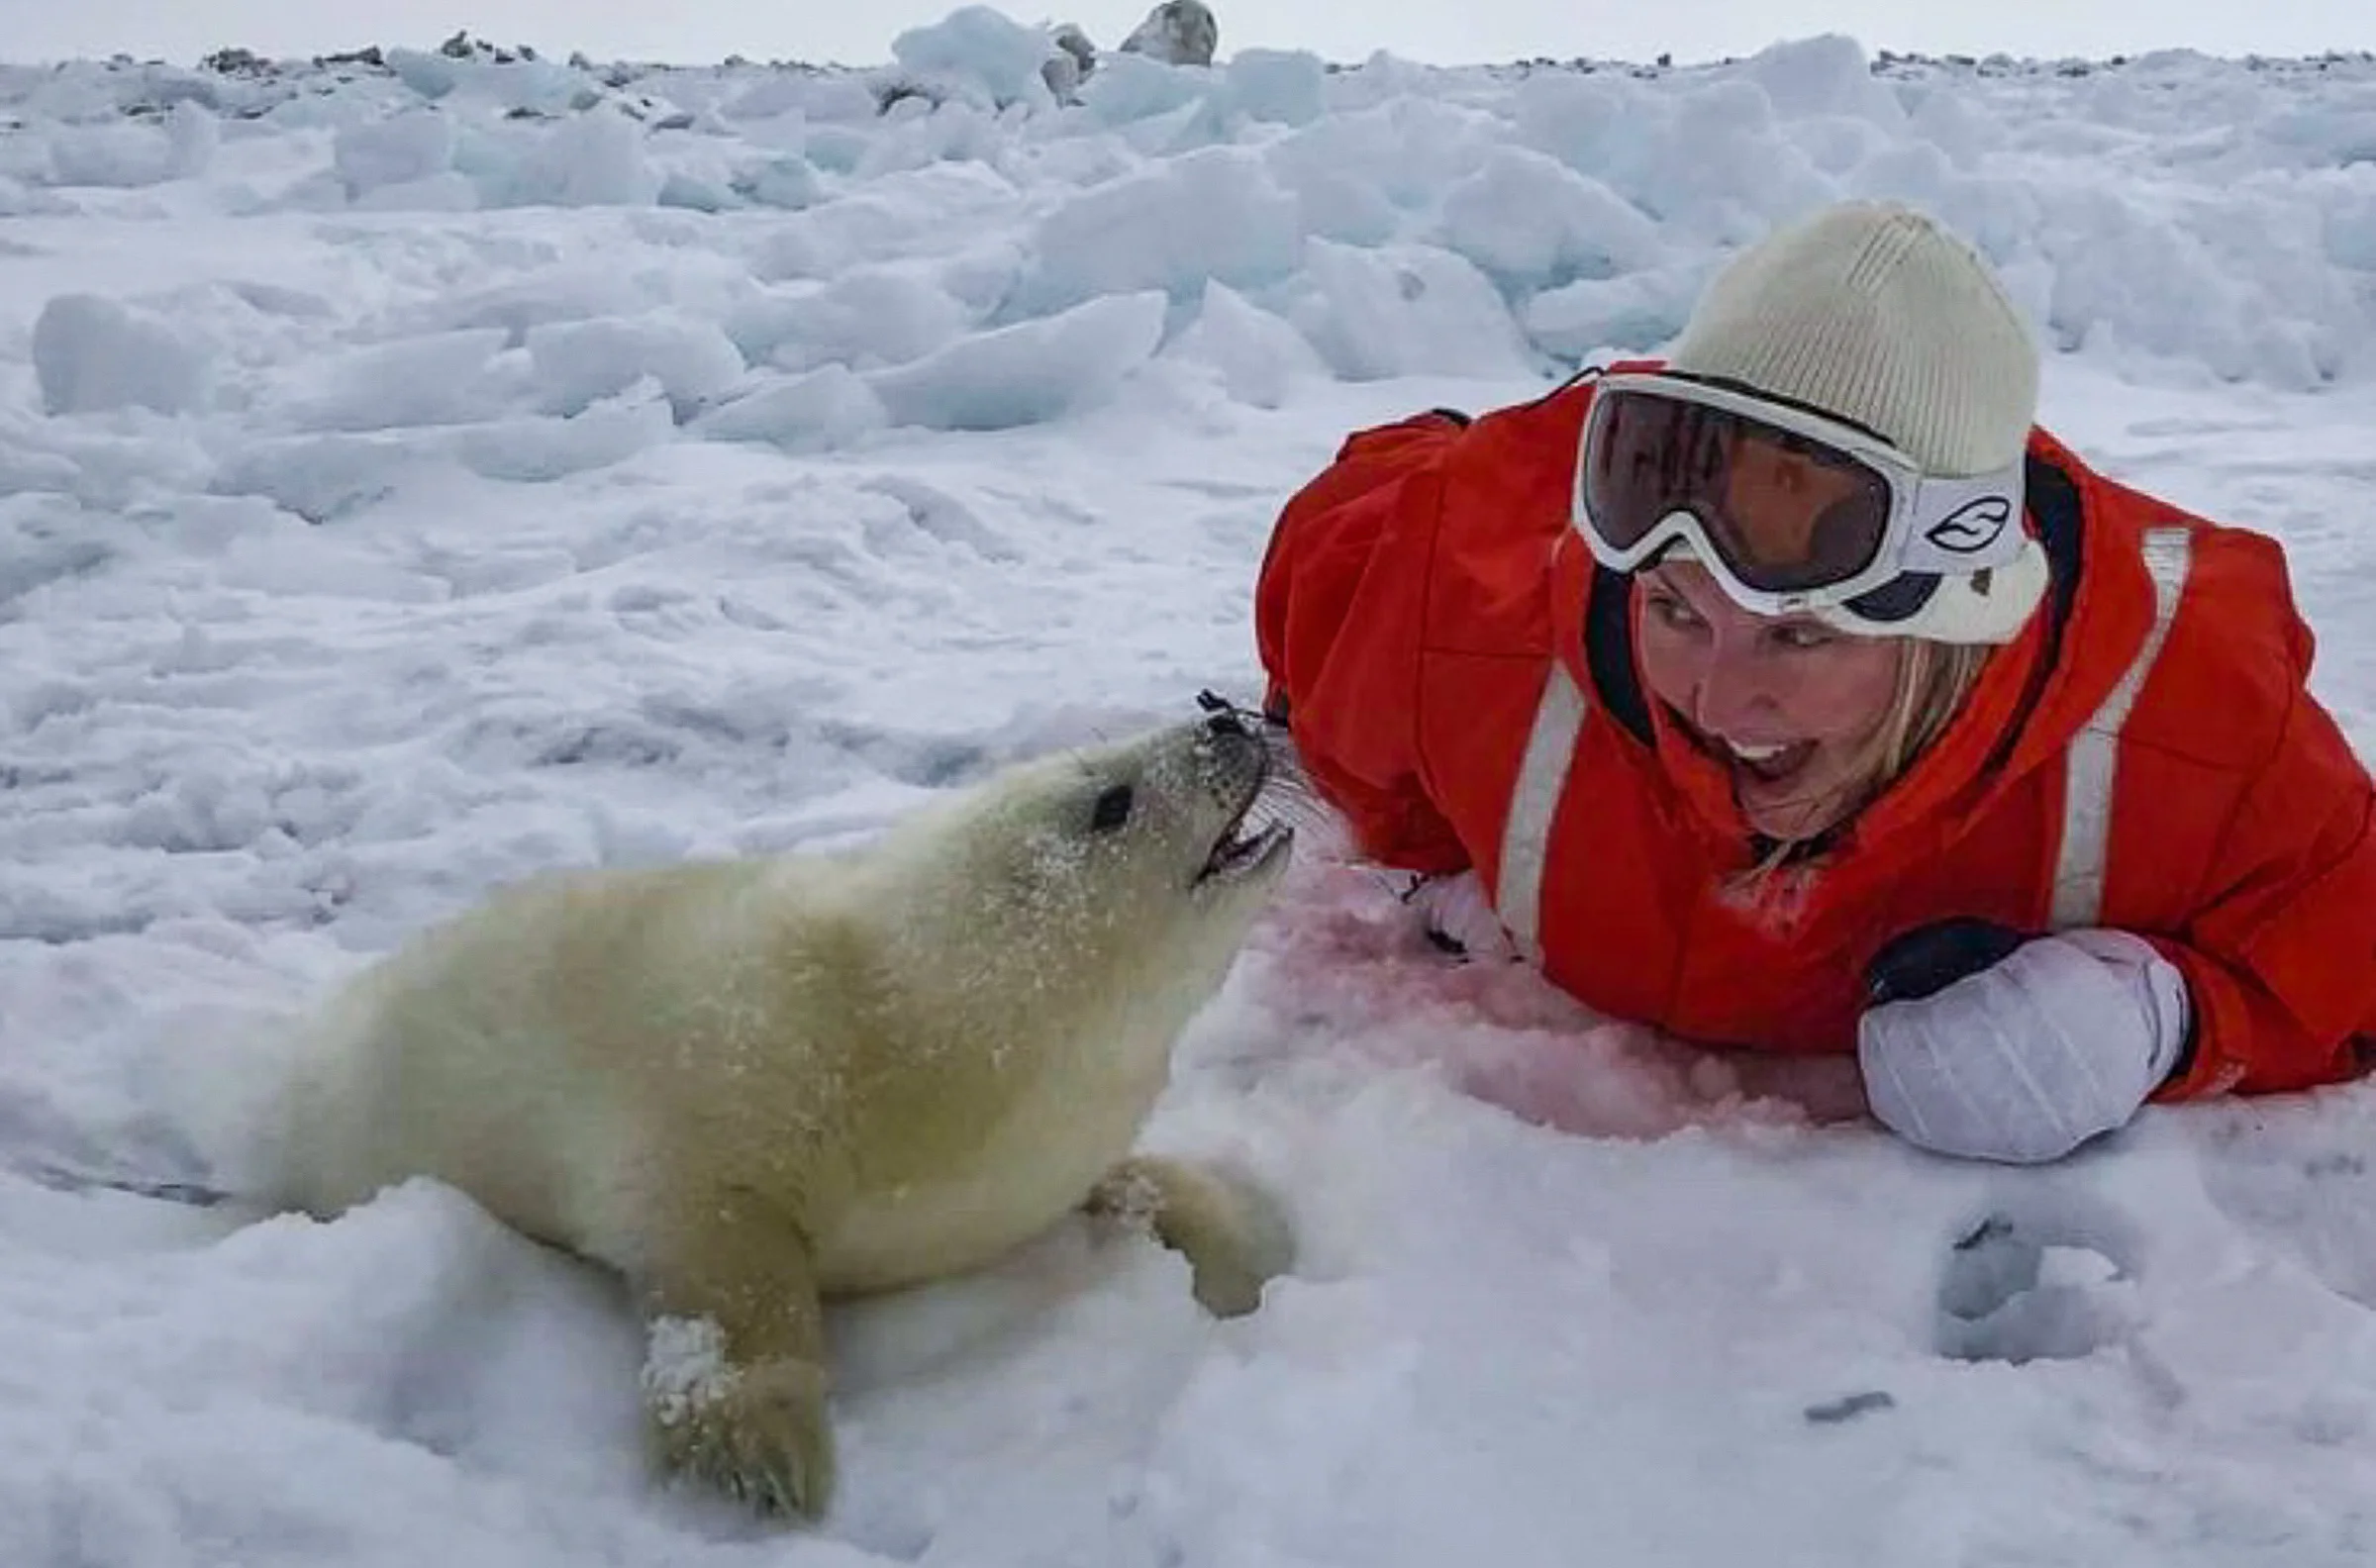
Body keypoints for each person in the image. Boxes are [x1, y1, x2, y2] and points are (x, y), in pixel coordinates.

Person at [1251, 198, 2376, 1166]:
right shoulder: (1460, 603)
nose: (1718, 702)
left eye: (1798, 638)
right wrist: (1438, 850)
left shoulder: (2193, 724)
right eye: (1676, 611)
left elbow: (2350, 960)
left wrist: (2159, 1018)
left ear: (1950, 631)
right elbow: (1335, 554)